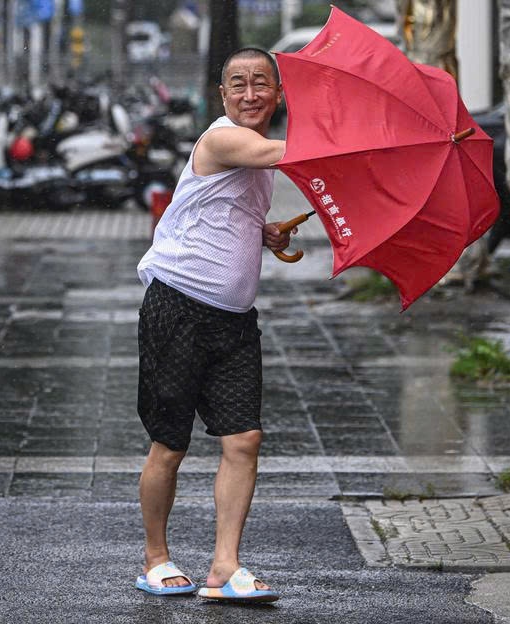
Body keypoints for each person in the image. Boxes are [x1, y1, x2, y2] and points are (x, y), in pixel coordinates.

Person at [133, 47, 292, 603]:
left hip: (233, 320)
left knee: (244, 438)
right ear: (223, 95)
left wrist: (264, 232)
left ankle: (224, 568)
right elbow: (276, 152)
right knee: (169, 445)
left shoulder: (252, 157)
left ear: (278, 93)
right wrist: (364, 143)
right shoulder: (223, 138)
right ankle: (156, 558)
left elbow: (227, 208)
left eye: (261, 84)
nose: (250, 94)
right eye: (238, 84)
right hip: (176, 308)